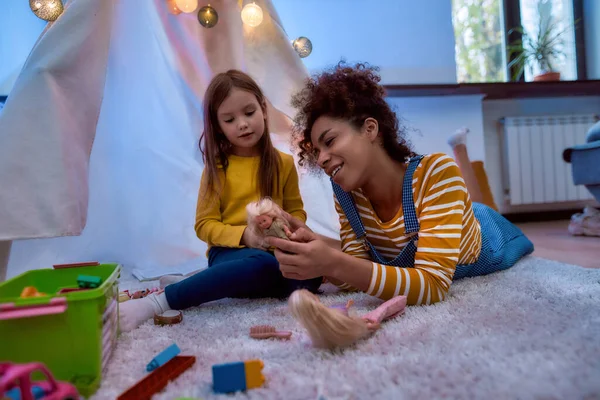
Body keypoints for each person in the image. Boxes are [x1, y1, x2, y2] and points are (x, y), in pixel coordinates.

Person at [265, 62, 534, 306]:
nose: (322, 159)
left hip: (488, 234)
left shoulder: (436, 172)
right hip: (446, 215)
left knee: (483, 206)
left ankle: (459, 148)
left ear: (370, 129)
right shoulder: (346, 194)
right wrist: (319, 252)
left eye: (330, 141)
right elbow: (356, 273)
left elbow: (432, 286)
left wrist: (334, 261)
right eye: (316, 152)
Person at [118, 69, 322, 332]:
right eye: (229, 119)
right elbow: (204, 225)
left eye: (249, 113)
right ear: (218, 126)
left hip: (275, 252)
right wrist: (245, 237)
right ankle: (161, 300)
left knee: (312, 276)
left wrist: (292, 230)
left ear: (263, 109)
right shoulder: (217, 169)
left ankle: (206, 281)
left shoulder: (283, 163)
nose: (243, 124)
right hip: (228, 252)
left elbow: (296, 211)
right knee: (260, 266)